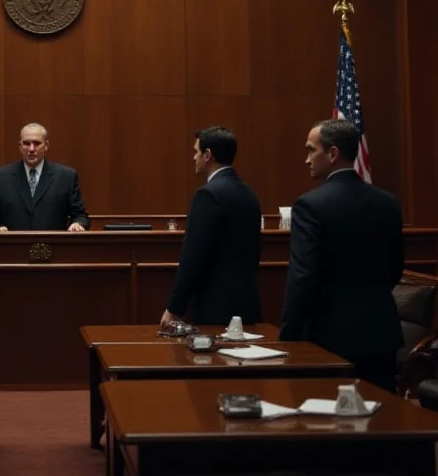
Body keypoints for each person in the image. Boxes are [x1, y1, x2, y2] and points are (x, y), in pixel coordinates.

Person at [279, 119, 403, 392]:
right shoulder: (387, 202)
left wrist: (287, 339)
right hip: (381, 334)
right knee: (386, 422)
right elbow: (395, 268)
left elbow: (302, 277)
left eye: (311, 150)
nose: (306, 159)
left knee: (327, 423)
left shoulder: (310, 205)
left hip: (329, 339)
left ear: (332, 154)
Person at [160, 127, 262, 327]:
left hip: (216, 305)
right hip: (248, 303)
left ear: (207, 155)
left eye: (196, 152)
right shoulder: (250, 195)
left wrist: (174, 308)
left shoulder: (207, 195)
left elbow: (193, 256)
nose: (193, 158)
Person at [0, 123, 89, 231]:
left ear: (46, 145)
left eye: (37, 143)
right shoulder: (0, 177)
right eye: (26, 143)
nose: (31, 149)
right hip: (12, 246)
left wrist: (77, 224)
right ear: (20, 146)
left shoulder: (66, 176)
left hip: (53, 246)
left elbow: (81, 216)